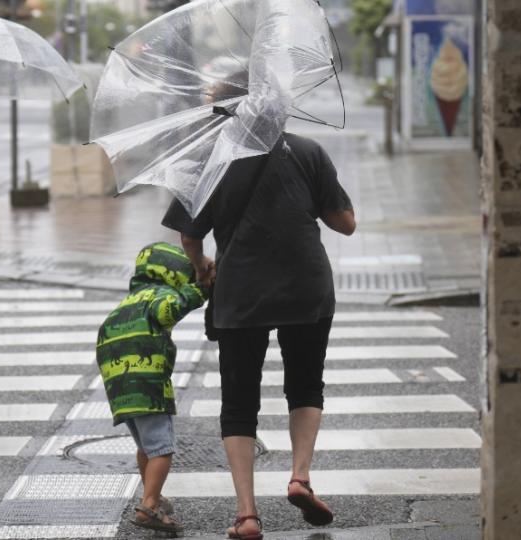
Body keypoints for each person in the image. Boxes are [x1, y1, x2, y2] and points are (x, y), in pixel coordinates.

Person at [162, 133, 356, 539]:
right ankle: (300, 477)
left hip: (241, 291)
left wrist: (201, 267)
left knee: (238, 401)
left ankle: (247, 515)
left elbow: (189, 236)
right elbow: (346, 223)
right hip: (306, 286)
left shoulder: (207, 157)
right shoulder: (306, 151)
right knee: (305, 386)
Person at [96, 241, 208, 534]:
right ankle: (148, 505)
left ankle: (153, 495)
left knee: (145, 446)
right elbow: (168, 310)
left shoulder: (128, 302)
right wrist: (201, 290)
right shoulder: (160, 294)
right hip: (147, 383)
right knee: (162, 448)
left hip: (119, 387)